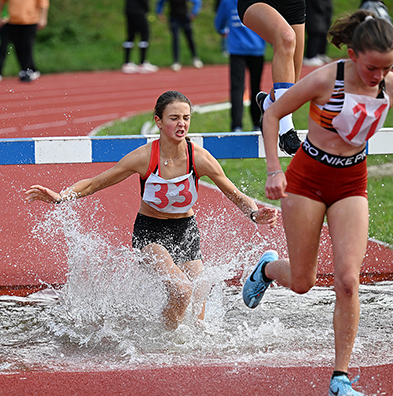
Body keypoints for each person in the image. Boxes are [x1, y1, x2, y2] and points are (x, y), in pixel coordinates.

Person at [242, 10, 393, 396]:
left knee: (348, 280)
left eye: (387, 67)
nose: (379, 76)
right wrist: (274, 170)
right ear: (354, 54)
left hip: (350, 183)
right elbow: (272, 113)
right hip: (306, 180)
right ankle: (268, 268)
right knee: (304, 282)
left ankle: (340, 377)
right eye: (373, 67)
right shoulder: (327, 78)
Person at [26, 90, 278, 330]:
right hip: (150, 232)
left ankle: (189, 344)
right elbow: (96, 182)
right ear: (158, 121)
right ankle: (164, 341)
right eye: (174, 118)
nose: (182, 124)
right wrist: (60, 197)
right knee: (181, 289)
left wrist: (255, 214)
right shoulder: (144, 157)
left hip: (186, 232)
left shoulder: (199, 158)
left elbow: (235, 195)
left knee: (199, 295)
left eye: (186, 118)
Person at [237, 0, 305, 155]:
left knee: (292, 82)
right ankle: (286, 131)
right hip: (257, 2)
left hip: (294, 3)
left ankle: (269, 104)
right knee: (286, 37)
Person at [215, 0, 266, 132]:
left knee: (237, 89)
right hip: (257, 48)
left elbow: (218, 24)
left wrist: (223, 31)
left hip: (237, 50)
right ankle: (256, 123)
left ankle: (236, 126)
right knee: (256, 87)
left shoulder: (227, 2)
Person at [0, 0, 49, 83]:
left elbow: (43, 4)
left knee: (26, 46)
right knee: (11, 45)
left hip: (30, 20)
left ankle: (27, 70)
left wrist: (43, 18)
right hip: (12, 20)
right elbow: (1, 2)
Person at [156, 0, 204, 72]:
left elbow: (197, 2)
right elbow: (160, 2)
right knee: (175, 39)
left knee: (189, 38)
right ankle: (176, 61)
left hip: (185, 18)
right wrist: (159, 12)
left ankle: (195, 57)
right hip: (173, 18)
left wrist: (194, 13)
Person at [359, 0, 393, 68]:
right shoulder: (369, 6)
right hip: (378, 42)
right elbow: (368, 24)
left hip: (387, 38)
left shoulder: (380, 5)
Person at [122, 0, 159, 74]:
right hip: (139, 11)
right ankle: (142, 63)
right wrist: (146, 9)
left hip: (129, 10)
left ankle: (127, 63)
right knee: (144, 36)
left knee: (130, 36)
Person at [303, 0, 333, 67]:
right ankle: (310, 56)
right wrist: (321, 6)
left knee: (323, 32)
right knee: (315, 31)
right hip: (314, 11)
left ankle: (320, 53)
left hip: (324, 10)